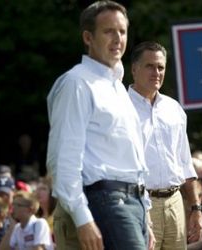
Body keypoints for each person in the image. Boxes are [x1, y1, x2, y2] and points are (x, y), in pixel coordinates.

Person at [46, 1, 153, 250]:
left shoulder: (117, 86)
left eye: (122, 31)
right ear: (88, 37)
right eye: (108, 31)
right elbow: (63, 159)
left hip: (132, 202)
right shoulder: (77, 83)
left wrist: (144, 214)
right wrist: (83, 220)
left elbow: (132, 159)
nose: (118, 39)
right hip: (105, 200)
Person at [128, 41, 202, 250]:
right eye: (149, 66)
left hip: (175, 203)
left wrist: (196, 208)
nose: (156, 72)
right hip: (139, 204)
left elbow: (185, 162)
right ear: (134, 69)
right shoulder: (120, 107)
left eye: (160, 67)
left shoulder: (174, 108)